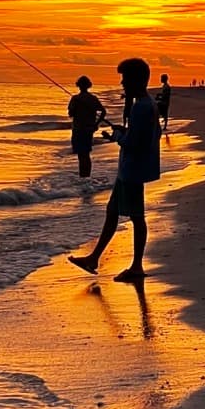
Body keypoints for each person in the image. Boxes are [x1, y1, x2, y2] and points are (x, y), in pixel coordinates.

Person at [69, 57, 161, 282]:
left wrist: (118, 136)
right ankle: (94, 258)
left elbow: (135, 143)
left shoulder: (141, 107)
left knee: (137, 217)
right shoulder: (147, 104)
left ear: (136, 80)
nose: (122, 84)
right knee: (112, 213)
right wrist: (124, 132)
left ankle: (137, 266)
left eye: (125, 79)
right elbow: (151, 135)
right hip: (129, 169)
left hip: (132, 170)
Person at [67, 75, 108, 177]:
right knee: (86, 154)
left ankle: (83, 176)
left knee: (81, 155)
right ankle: (86, 176)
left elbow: (71, 114)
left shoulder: (75, 98)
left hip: (78, 129)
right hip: (89, 129)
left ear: (78, 86)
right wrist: (96, 124)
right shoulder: (93, 98)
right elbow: (103, 112)